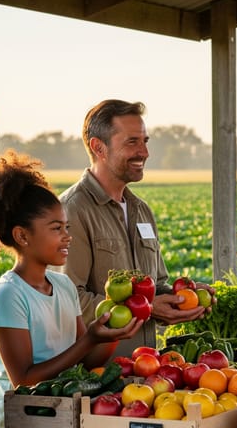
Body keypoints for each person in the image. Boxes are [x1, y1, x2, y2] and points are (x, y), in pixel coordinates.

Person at [0, 150, 144, 428]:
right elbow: (25, 380)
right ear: (22, 235)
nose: (67, 237)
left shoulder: (62, 287)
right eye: (56, 228)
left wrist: (109, 338)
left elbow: (82, 358)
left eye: (67, 227)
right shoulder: (8, 296)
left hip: (64, 427)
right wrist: (91, 339)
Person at [58, 99, 210, 358]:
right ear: (99, 147)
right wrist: (148, 308)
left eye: (145, 141)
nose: (144, 152)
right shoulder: (72, 210)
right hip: (96, 377)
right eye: (132, 142)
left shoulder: (142, 210)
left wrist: (182, 297)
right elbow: (68, 302)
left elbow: (157, 285)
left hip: (145, 372)